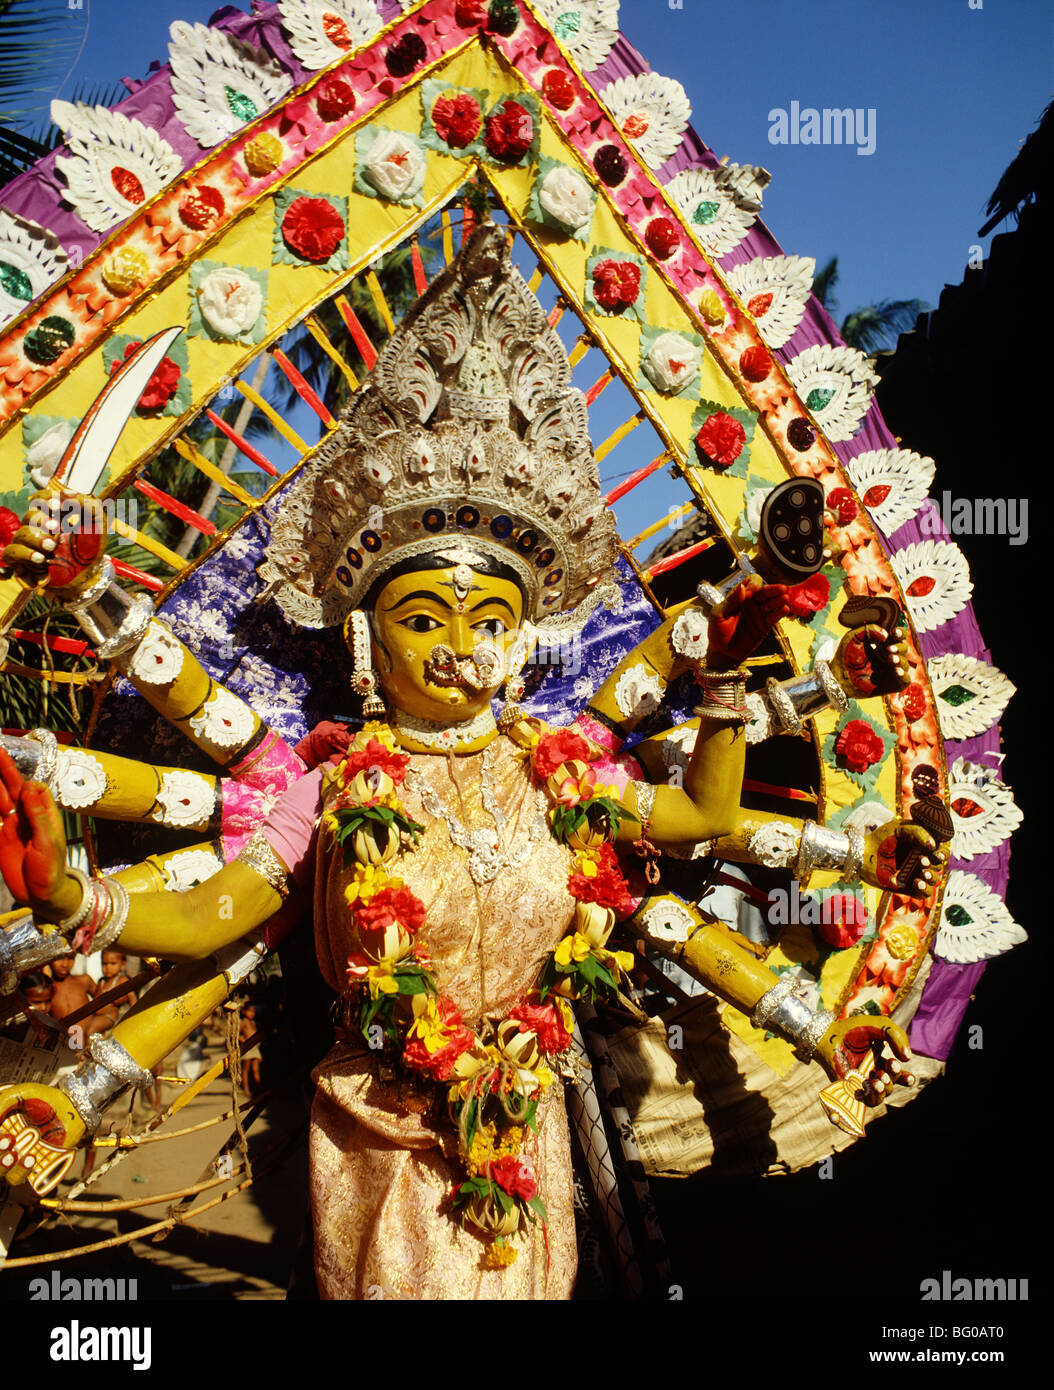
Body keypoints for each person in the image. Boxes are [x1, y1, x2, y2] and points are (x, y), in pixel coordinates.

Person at [0, 224, 941, 1293]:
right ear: (365, 639)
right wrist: (79, 901)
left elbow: (704, 819)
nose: (463, 646)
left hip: (525, 1110)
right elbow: (215, 913)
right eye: (424, 618)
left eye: (493, 616)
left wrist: (723, 683)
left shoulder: (560, 773)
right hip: (382, 1125)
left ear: (524, 636)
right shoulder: (331, 787)